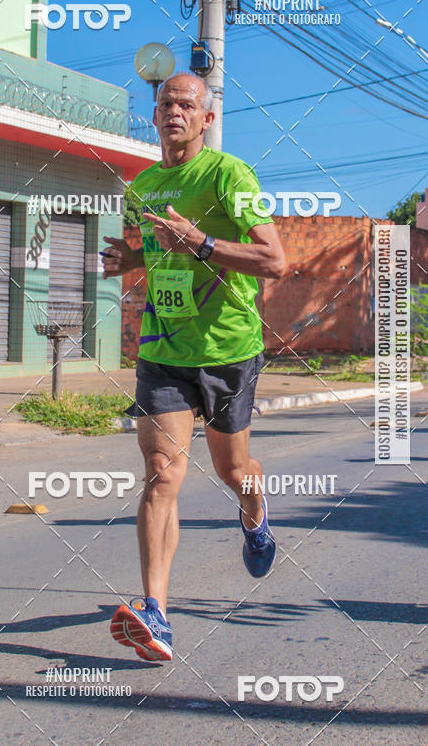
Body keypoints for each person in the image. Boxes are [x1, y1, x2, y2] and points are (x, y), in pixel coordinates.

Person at [100, 72, 286, 662]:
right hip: (162, 352)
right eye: (166, 104)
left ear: (206, 119)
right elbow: (159, 251)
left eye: (186, 105)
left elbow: (275, 260)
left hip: (227, 351)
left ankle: (254, 514)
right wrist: (131, 257)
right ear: (154, 116)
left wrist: (202, 242)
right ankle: (156, 612)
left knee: (234, 471)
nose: (174, 112)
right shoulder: (143, 185)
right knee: (162, 472)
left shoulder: (230, 176)